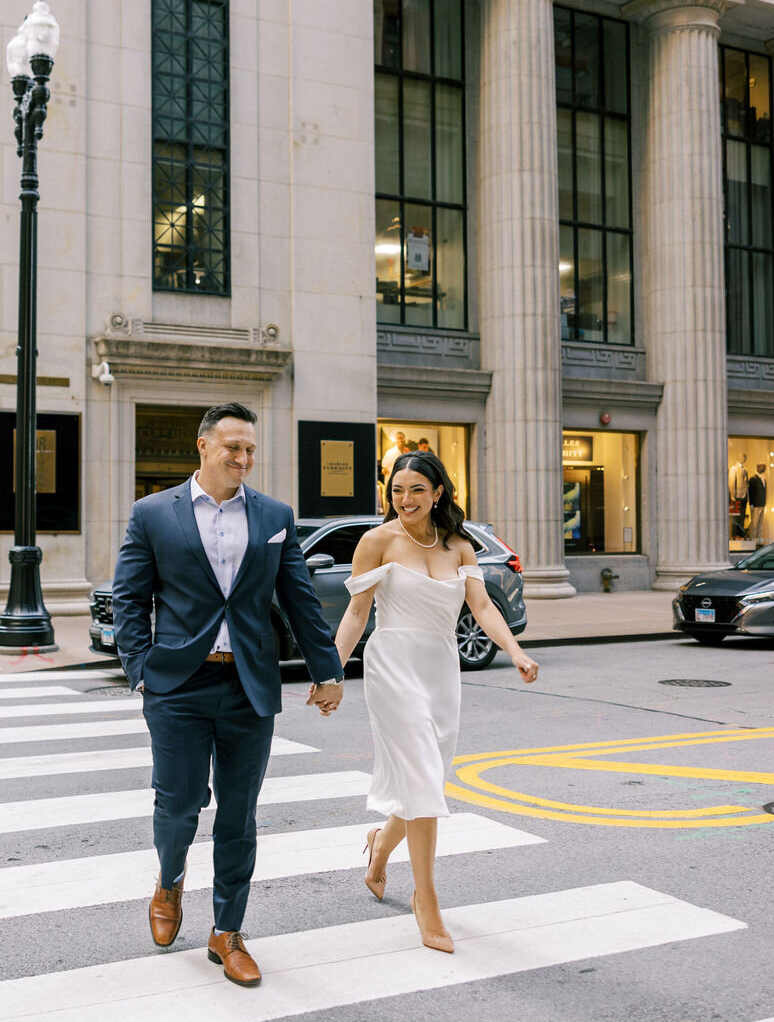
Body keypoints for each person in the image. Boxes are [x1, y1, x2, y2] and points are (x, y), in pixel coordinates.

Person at [112, 402, 344, 988]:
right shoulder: (152, 514)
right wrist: (139, 667)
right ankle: (169, 882)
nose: (243, 459)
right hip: (178, 686)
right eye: (232, 448)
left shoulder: (274, 515)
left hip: (248, 686)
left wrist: (328, 669)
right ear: (203, 446)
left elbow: (300, 600)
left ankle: (228, 931)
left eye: (249, 450)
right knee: (180, 803)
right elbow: (129, 599)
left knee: (240, 814)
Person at [329, 450, 539, 954]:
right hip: (393, 664)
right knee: (422, 778)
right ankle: (427, 899)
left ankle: (379, 846)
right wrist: (331, 671)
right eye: (397, 490)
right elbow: (357, 613)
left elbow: (482, 607)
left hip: (441, 667)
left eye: (417, 490)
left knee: (426, 781)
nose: (405, 500)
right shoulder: (377, 541)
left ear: (438, 492)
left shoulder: (459, 546)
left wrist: (515, 651)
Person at [748, 463, 767, 542]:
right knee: (754, 524)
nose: (763, 468)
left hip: (762, 504)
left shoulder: (764, 479)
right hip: (755, 504)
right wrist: (751, 503)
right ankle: (752, 540)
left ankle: (758, 541)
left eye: (764, 467)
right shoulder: (753, 479)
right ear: (757, 467)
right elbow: (750, 492)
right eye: (761, 466)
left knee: (760, 524)